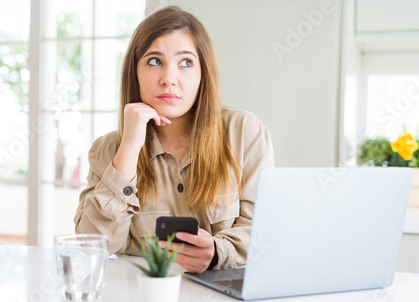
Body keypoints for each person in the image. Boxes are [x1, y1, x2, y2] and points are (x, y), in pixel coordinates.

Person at [74, 6, 274, 274]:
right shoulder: (107, 150)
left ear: (203, 73)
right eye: (155, 61)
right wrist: (130, 149)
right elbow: (92, 245)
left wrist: (217, 252)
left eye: (186, 63)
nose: (169, 79)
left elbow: (264, 231)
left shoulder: (244, 132)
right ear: (135, 72)